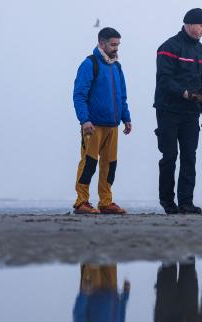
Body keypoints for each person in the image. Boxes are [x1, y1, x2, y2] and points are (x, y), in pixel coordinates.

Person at [154, 8, 202, 215]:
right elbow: (164, 79)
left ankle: (186, 202)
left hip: (191, 113)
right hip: (168, 110)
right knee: (169, 156)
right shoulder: (168, 47)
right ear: (189, 24)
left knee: (189, 157)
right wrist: (185, 94)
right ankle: (168, 202)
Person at [72, 27, 132, 215]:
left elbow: (122, 96)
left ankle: (106, 202)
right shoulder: (89, 64)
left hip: (113, 125)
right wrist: (84, 120)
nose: (116, 48)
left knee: (110, 164)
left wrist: (126, 118)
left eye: (118, 45)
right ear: (101, 43)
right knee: (89, 163)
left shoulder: (117, 66)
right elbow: (79, 95)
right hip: (93, 125)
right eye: (113, 45)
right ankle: (81, 202)